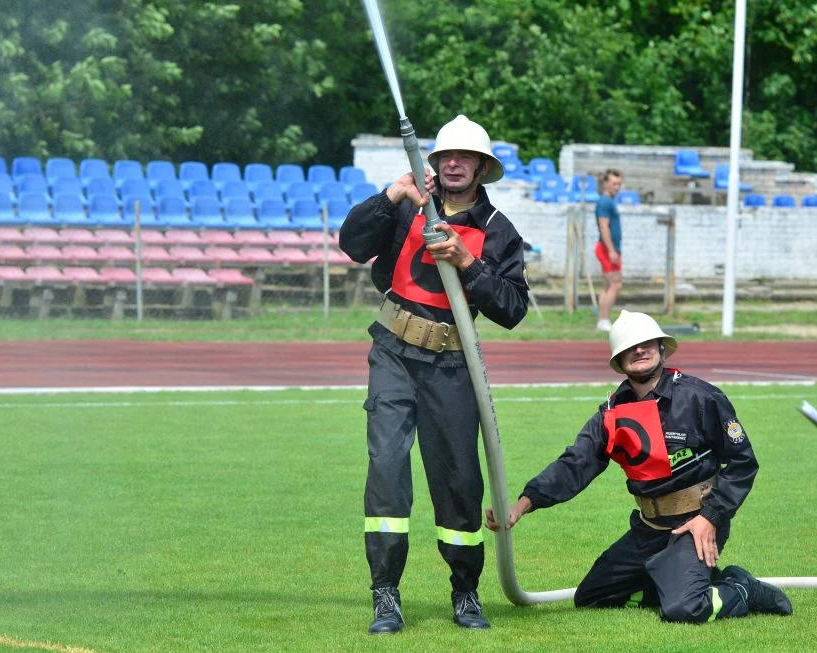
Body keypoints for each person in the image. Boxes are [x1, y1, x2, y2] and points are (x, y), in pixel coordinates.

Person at [339, 114, 530, 635]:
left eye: (464, 157)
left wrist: (470, 264)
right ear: (435, 163)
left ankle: (465, 592)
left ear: (480, 167)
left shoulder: (497, 231)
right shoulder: (408, 208)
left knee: (458, 482)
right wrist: (389, 196)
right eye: (445, 155)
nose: (453, 163)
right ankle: (385, 594)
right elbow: (351, 244)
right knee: (386, 467)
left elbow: (513, 308)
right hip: (393, 355)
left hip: (452, 365)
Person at [487, 310, 792, 622]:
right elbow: (574, 464)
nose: (639, 350)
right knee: (592, 597)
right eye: (629, 347)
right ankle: (682, 581)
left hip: (695, 523)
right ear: (619, 362)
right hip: (648, 528)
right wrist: (522, 505)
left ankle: (742, 587)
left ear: (661, 347)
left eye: (647, 343)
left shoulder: (700, 397)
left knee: (685, 608)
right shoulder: (611, 413)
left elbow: (743, 463)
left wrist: (710, 517)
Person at [594, 169, 623, 332]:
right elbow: (604, 226)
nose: (617, 187)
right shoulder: (605, 202)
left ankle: (602, 319)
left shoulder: (609, 201)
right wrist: (611, 250)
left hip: (610, 248)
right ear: (605, 184)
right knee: (615, 284)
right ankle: (604, 320)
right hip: (607, 249)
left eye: (619, 184)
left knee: (608, 285)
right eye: (614, 184)